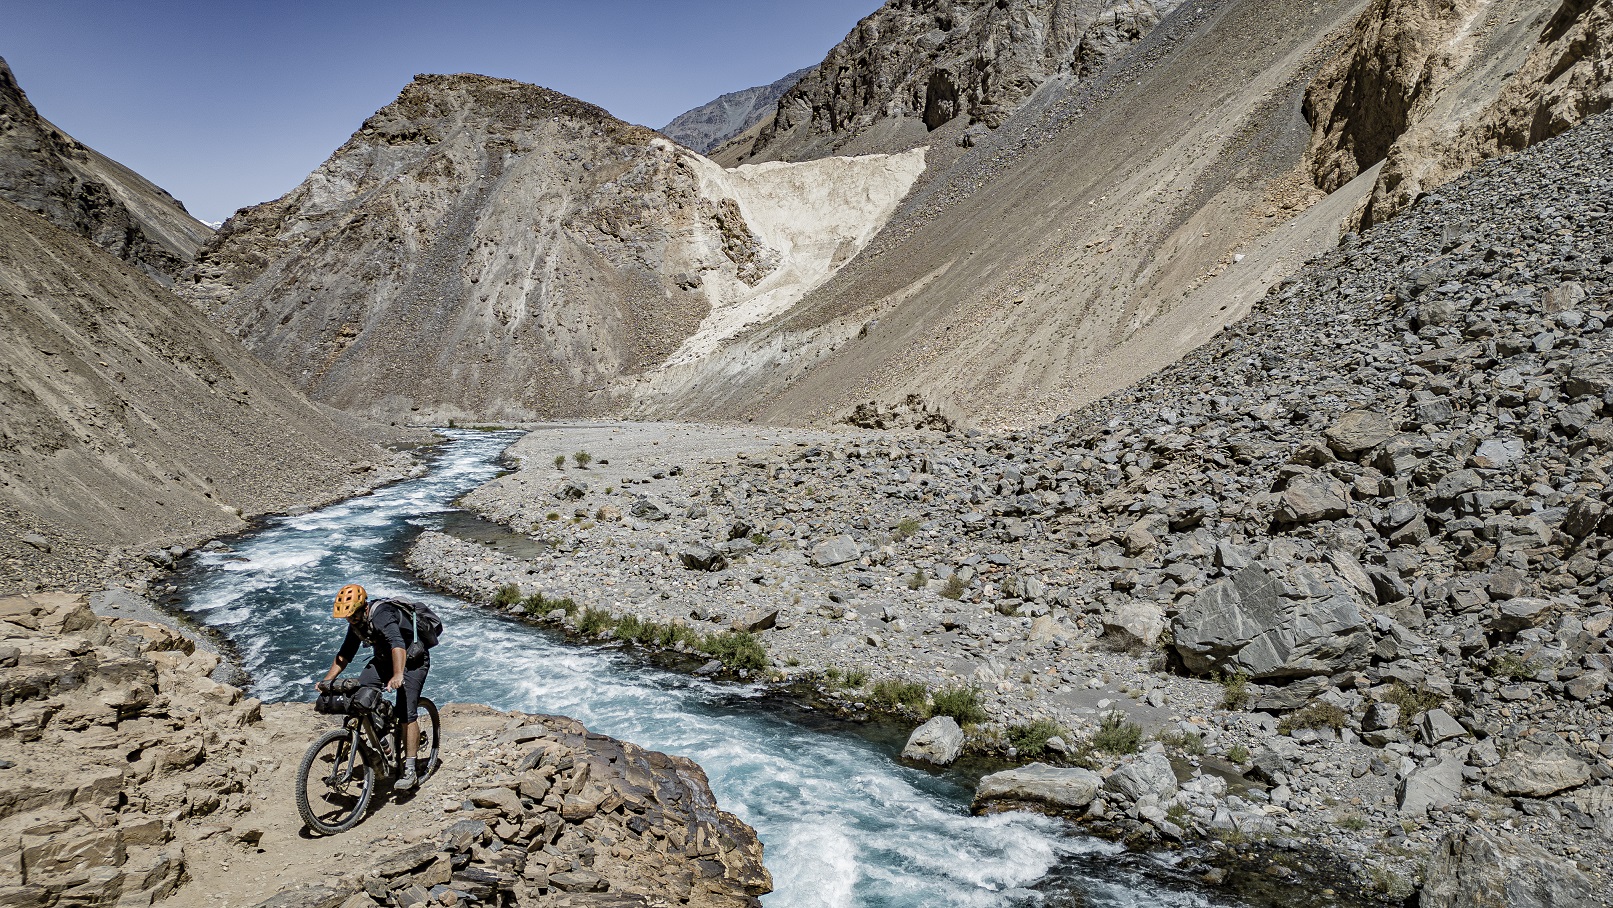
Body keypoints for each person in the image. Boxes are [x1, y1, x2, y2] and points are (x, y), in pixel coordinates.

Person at [317, 584, 429, 791]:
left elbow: (397, 644)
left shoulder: (382, 615)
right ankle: (385, 738)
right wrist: (326, 681)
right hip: (384, 660)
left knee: (406, 711)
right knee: (362, 697)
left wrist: (397, 675)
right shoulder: (356, 624)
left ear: (363, 607)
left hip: (412, 660)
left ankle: (411, 769)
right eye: (347, 617)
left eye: (353, 615)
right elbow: (345, 655)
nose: (350, 620)